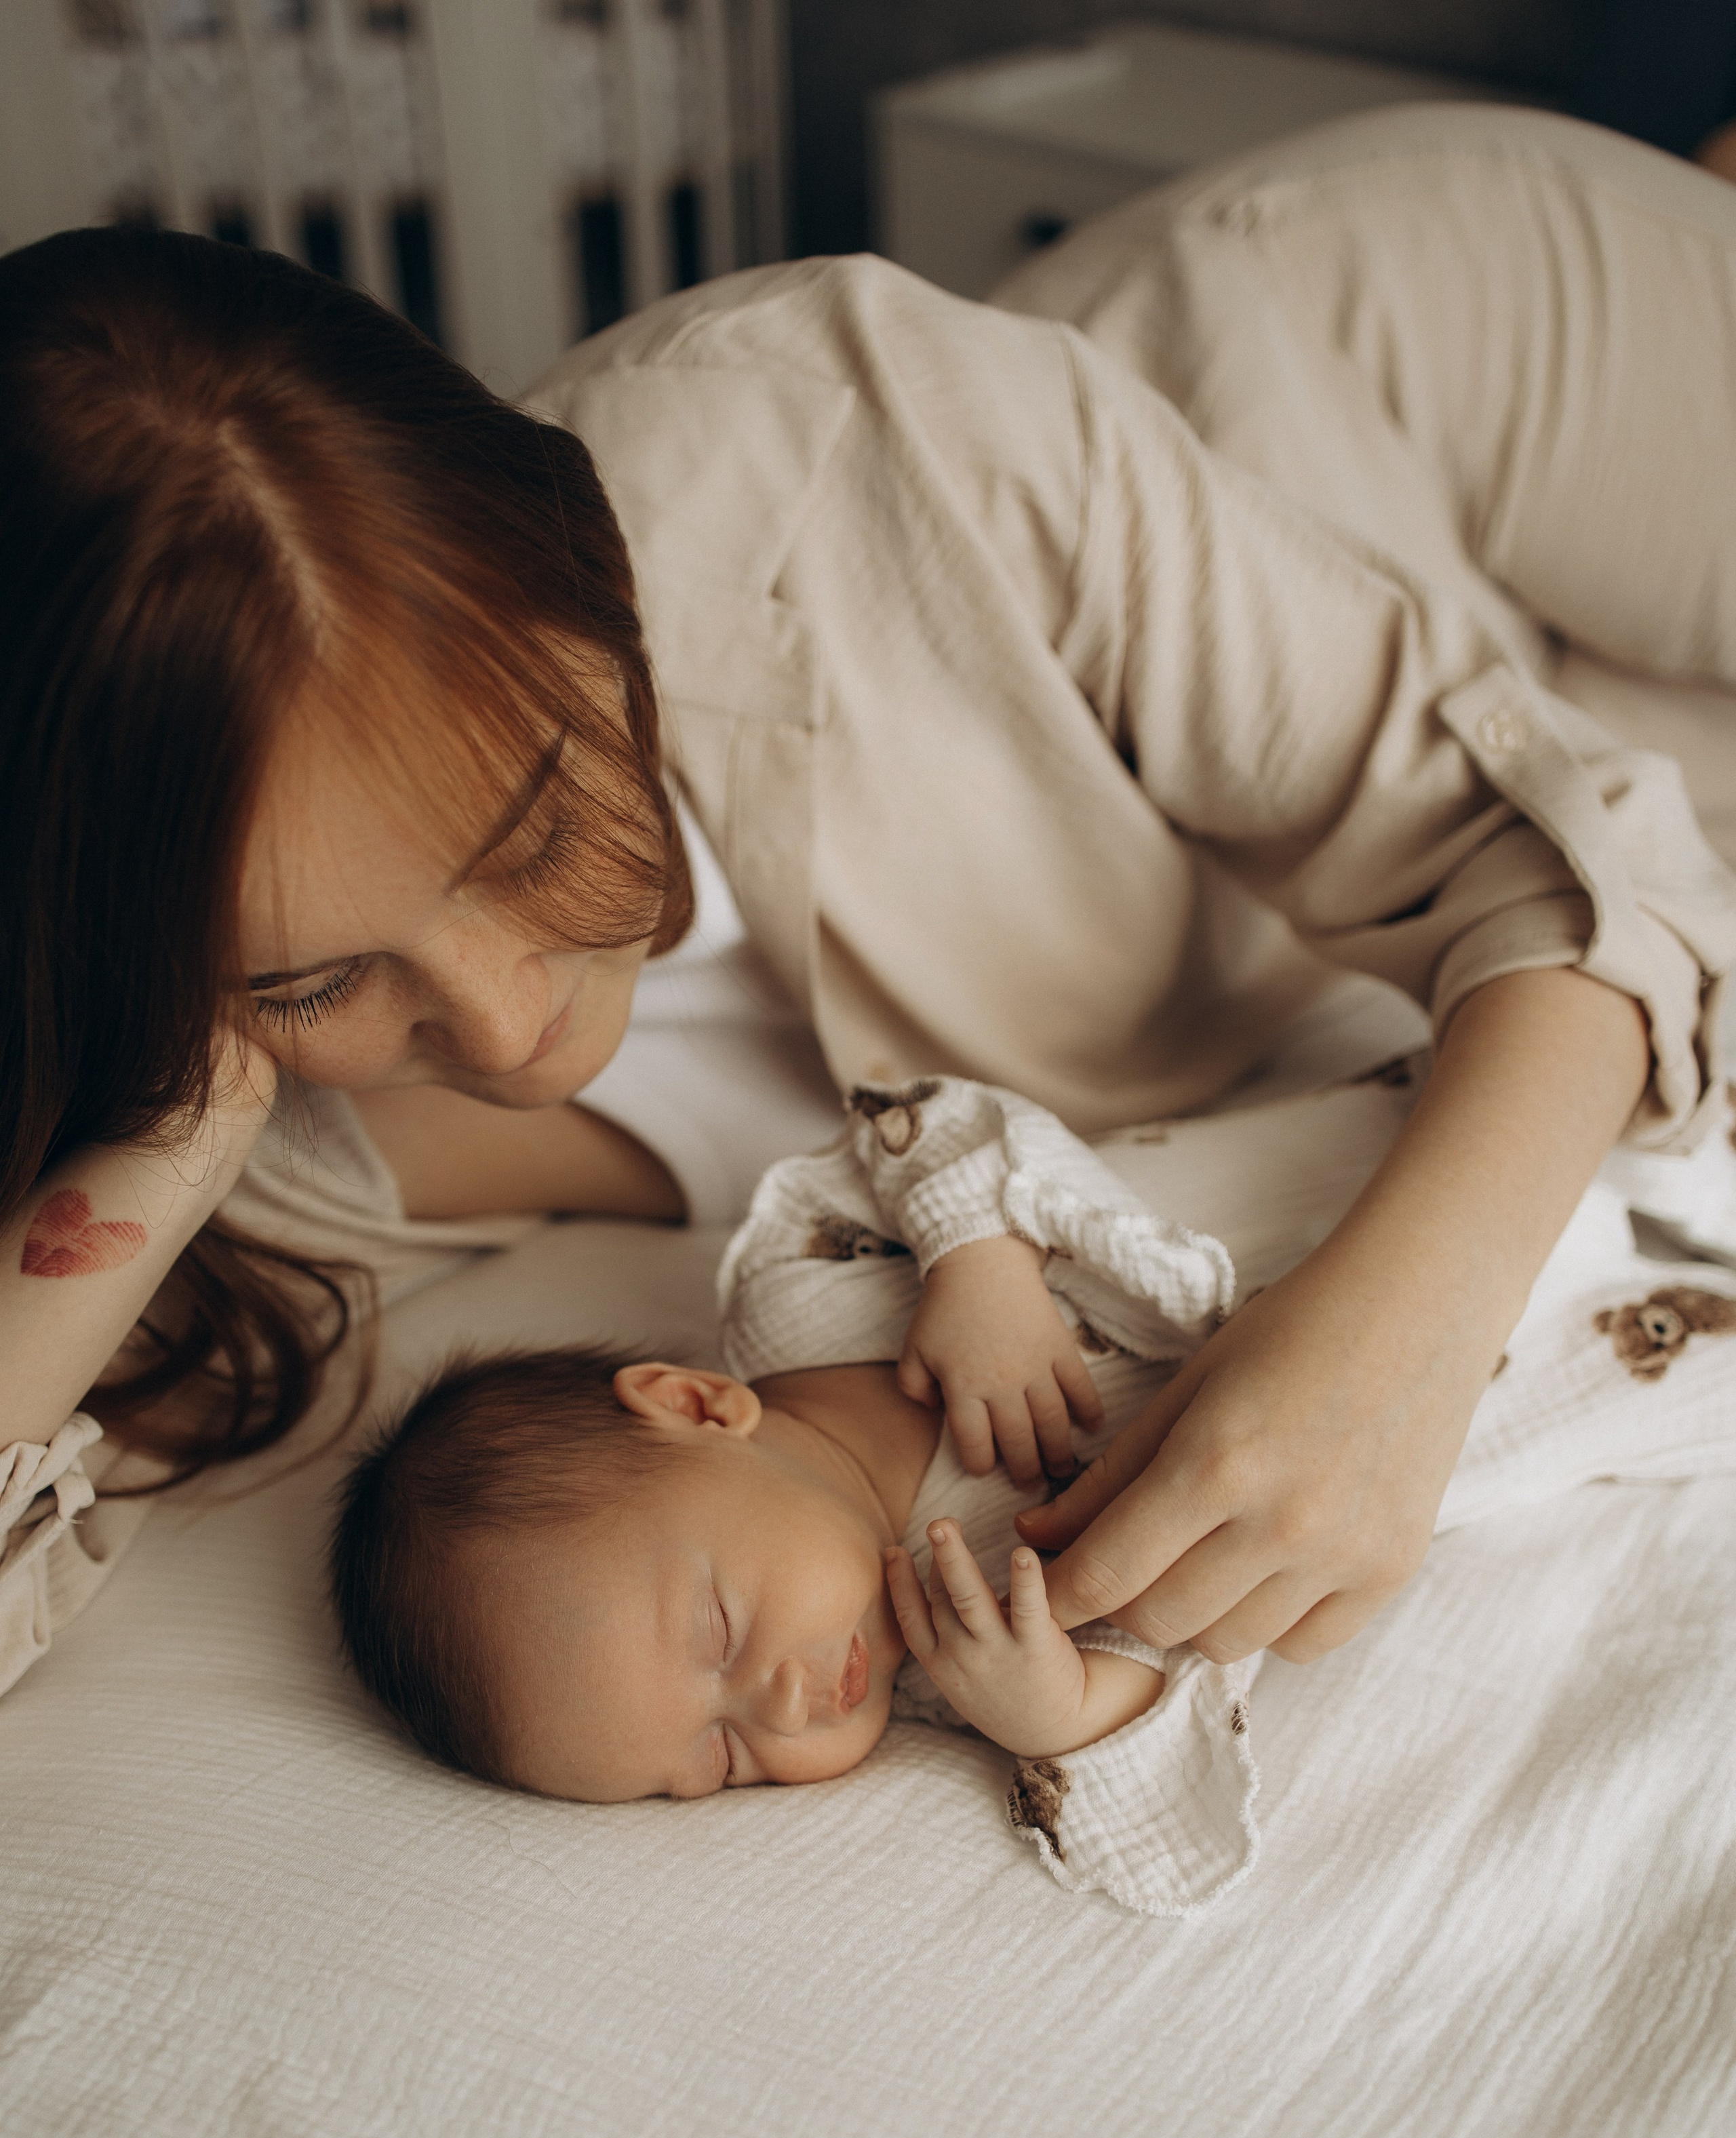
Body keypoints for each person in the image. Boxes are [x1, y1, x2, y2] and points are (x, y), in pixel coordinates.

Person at [6, 104, 1736, 1702]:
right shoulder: (253, 1150)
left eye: (533, 829)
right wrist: (180, 1065)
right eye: (309, 979)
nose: (507, 1025)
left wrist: (1396, 1355)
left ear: (594, 573)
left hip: (1381, 365)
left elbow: (1543, 848)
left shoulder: (870, 426)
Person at [328, 1071, 1736, 1919]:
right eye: (714, 1762)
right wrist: (1057, 1712)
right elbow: (1179, 1767)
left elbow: (913, 1117)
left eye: (714, 1631)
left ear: (695, 1408)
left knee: (1655, 1101)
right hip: (1523, 1365)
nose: (775, 1702)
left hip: (1394, 1168)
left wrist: (972, 1262)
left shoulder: (804, 1287)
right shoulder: (972, 1648)